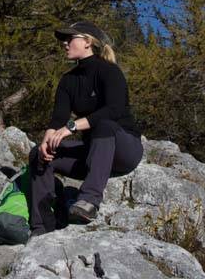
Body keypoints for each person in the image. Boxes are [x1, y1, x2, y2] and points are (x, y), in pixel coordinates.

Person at [28, 20, 143, 233]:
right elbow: (57, 119)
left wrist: (72, 127)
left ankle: (88, 201)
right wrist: (46, 143)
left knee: (103, 125)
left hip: (124, 150)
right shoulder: (68, 81)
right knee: (39, 154)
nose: (65, 43)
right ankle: (42, 226)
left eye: (70, 38)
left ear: (87, 42)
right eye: (64, 39)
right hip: (93, 154)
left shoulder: (109, 71)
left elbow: (114, 110)